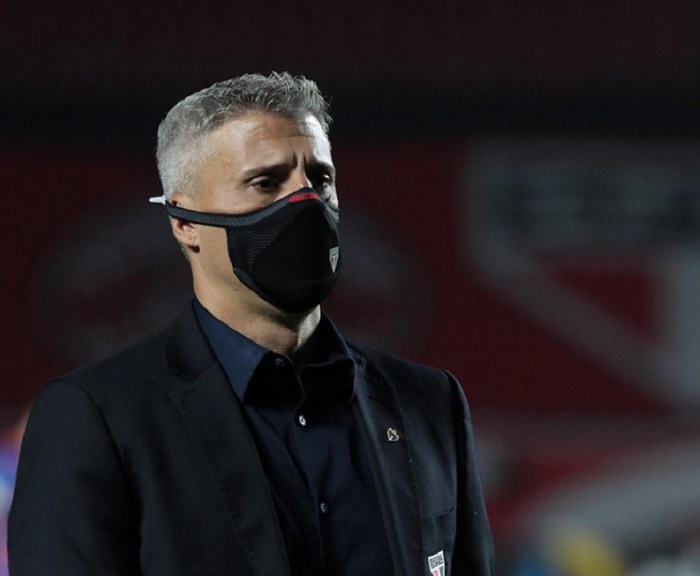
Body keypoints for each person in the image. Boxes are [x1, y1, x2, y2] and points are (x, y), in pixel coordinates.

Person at [9, 72, 494, 576]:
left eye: (320, 179)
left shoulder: (428, 402)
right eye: (266, 183)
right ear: (184, 221)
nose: (305, 200)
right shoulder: (99, 418)